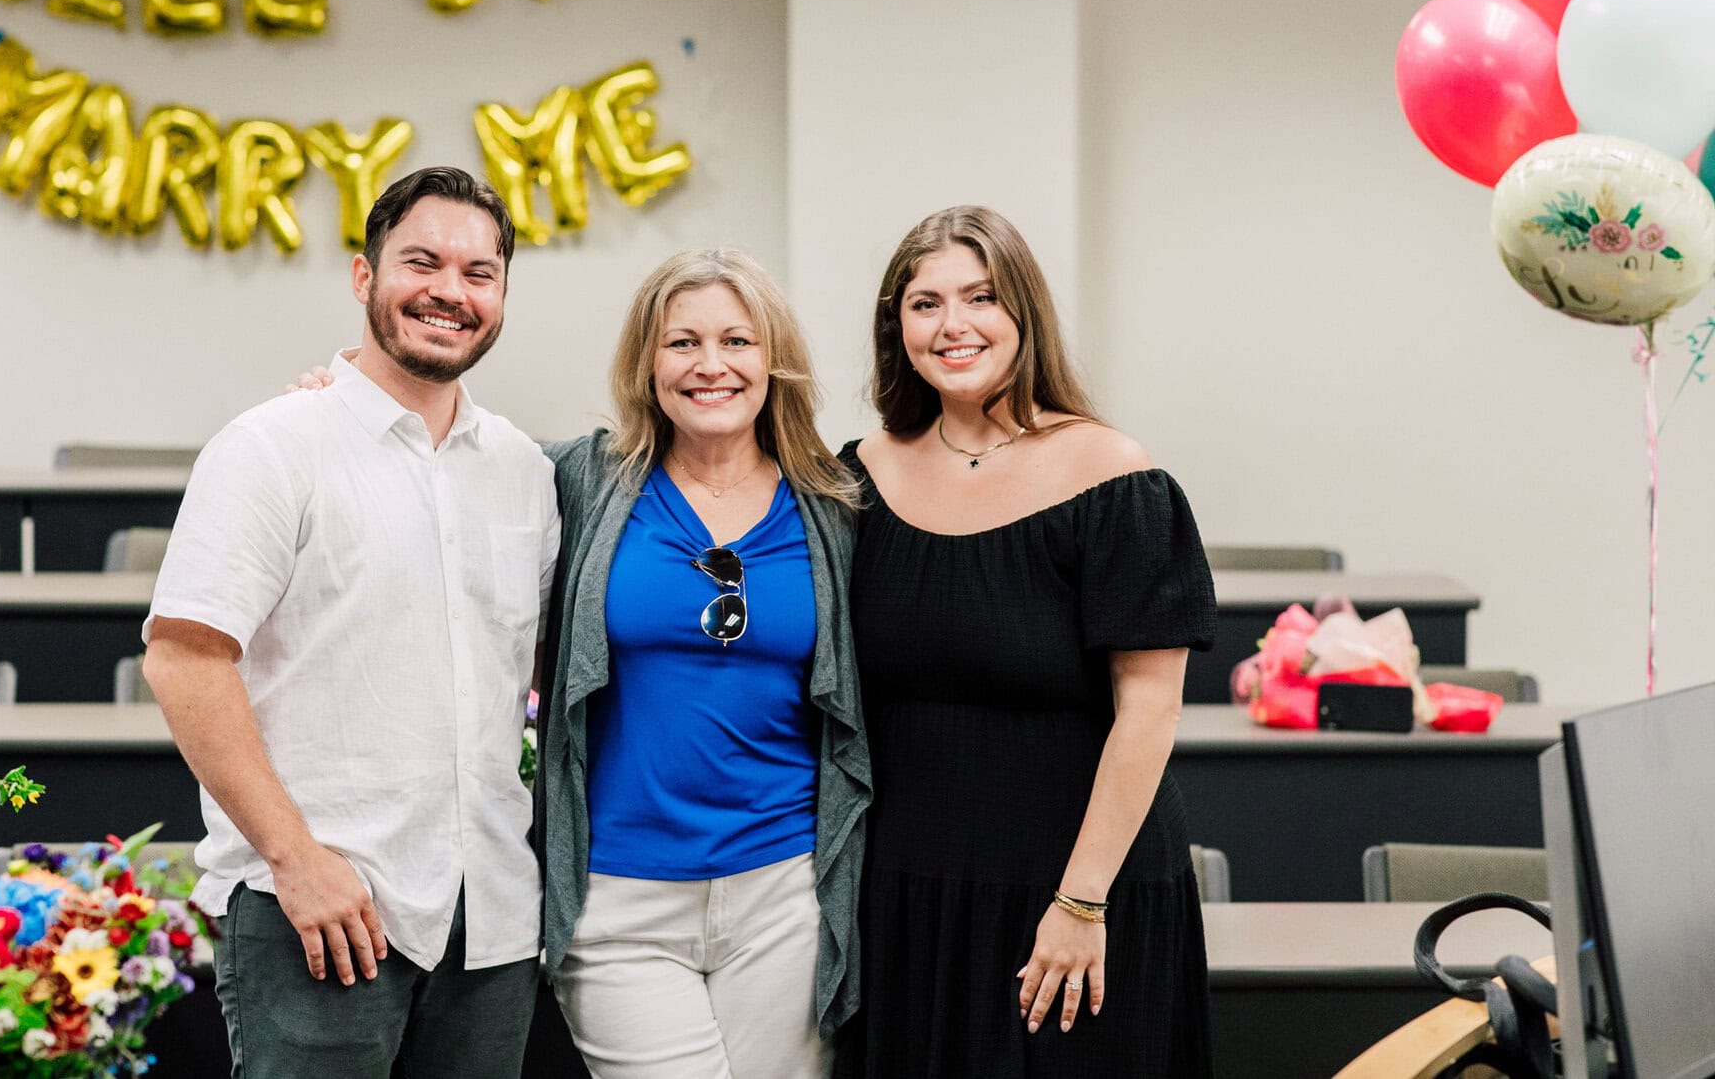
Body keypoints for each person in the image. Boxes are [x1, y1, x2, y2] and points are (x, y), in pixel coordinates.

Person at [142, 166, 559, 1079]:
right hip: (320, 913)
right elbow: (183, 658)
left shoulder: (525, 469)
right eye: (423, 262)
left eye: (479, 273)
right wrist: (296, 859)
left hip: (486, 924)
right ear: (364, 276)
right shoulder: (271, 448)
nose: (451, 291)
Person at [834, 206, 1215, 1078]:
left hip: (1076, 889)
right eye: (925, 303)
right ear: (898, 325)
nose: (953, 325)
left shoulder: (1115, 478)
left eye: (980, 297)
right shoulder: (856, 476)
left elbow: (1150, 709)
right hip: (909, 894)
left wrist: (1079, 903)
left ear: (1024, 315)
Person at [535, 248, 869, 1079]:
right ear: (646, 363)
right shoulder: (583, 479)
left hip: (784, 890)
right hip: (619, 898)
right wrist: (335, 398)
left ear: (773, 360)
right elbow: (448, 453)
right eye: (682, 343)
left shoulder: (835, 502)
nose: (710, 366)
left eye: (737, 342)